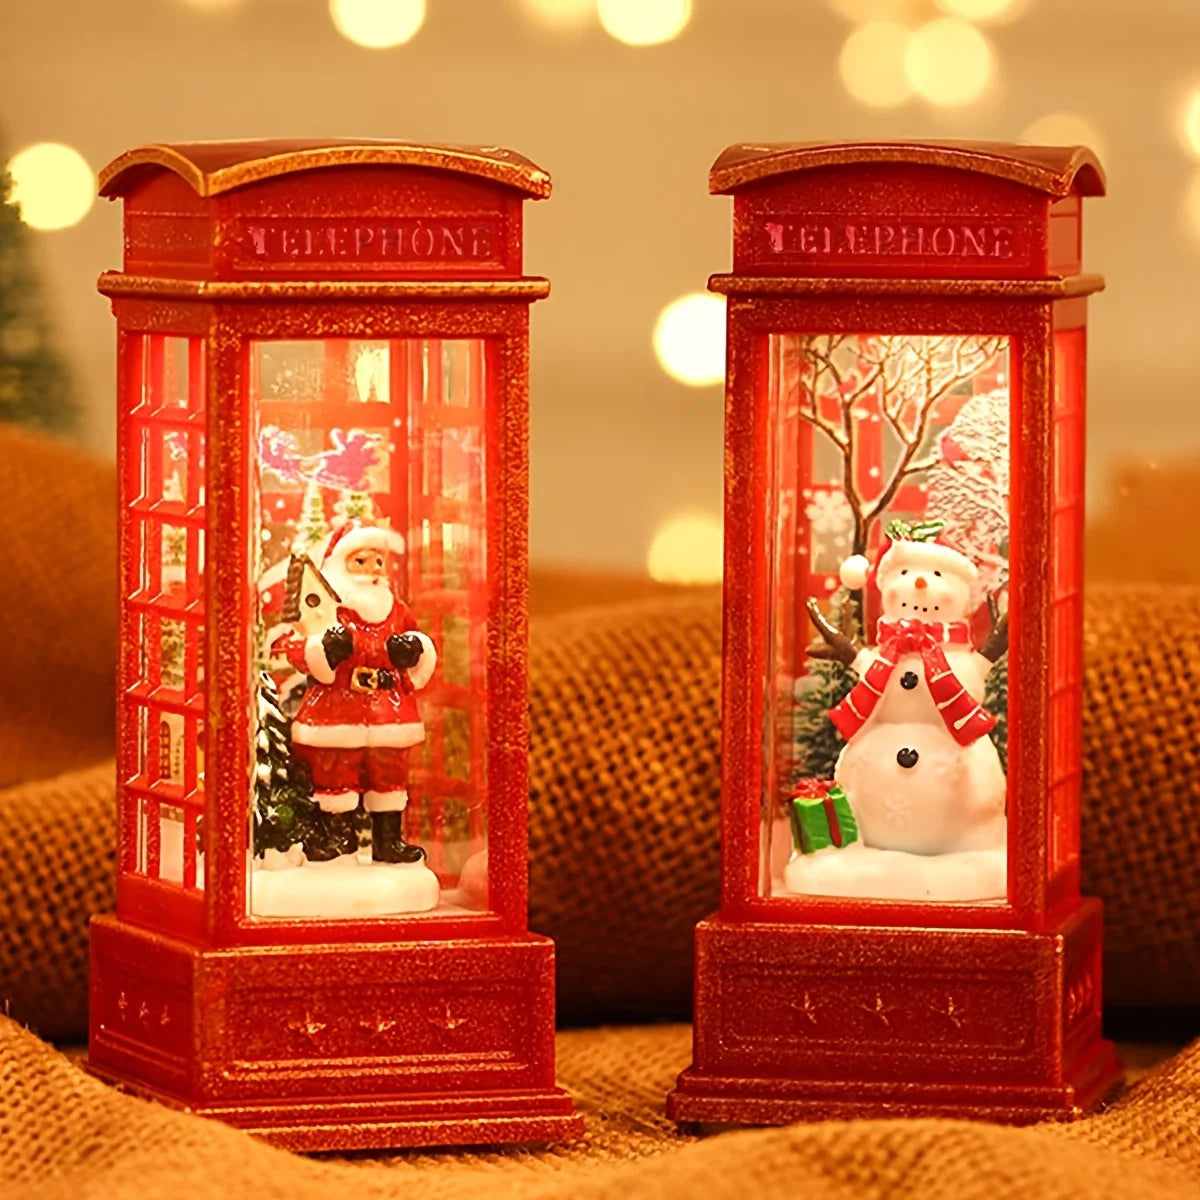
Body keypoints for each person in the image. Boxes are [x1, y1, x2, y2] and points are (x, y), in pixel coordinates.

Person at [277, 521, 436, 864]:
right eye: (360, 562)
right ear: (340, 565)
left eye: (378, 562)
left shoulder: (397, 610)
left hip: (388, 708)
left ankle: (388, 841)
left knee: (389, 775)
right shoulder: (326, 611)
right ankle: (338, 839)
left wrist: (415, 649)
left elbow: (420, 642)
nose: (372, 571)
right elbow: (293, 646)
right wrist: (322, 649)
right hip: (338, 707)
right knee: (336, 772)